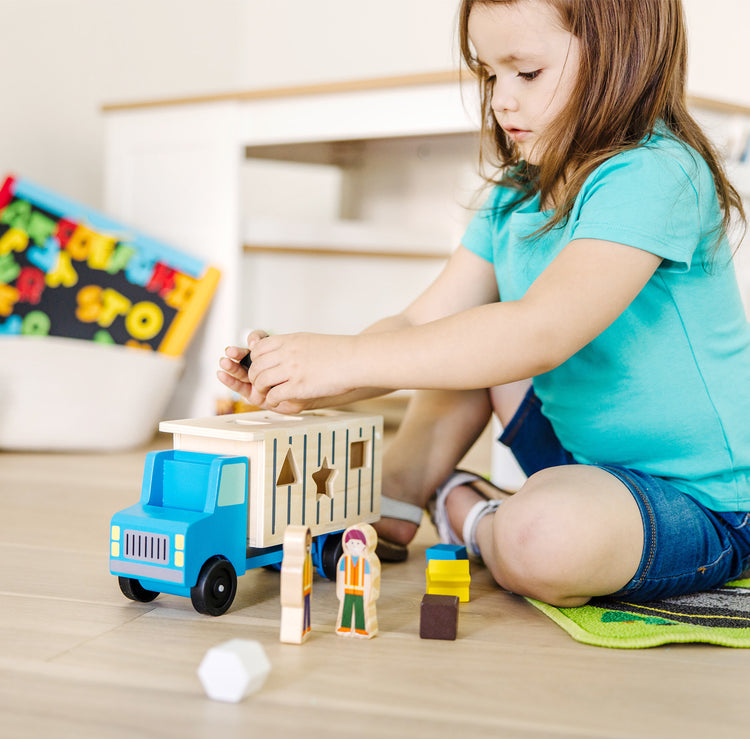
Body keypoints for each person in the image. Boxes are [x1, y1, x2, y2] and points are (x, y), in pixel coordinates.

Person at [218, 0, 750, 608]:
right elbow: (423, 320)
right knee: (454, 338)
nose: (500, 99)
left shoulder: (657, 173)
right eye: (490, 74)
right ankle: (399, 486)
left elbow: (540, 332)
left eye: (526, 73)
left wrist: (348, 363)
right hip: (578, 457)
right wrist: (314, 377)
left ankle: (465, 509)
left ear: (620, 62)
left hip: (704, 500)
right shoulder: (513, 195)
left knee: (542, 539)